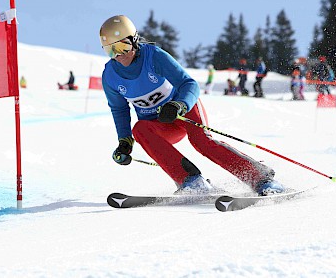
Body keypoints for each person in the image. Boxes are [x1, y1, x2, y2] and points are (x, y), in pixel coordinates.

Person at [99, 15, 284, 196]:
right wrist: (124, 141)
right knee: (139, 129)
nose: (119, 55)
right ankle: (192, 182)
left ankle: (262, 178)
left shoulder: (153, 57)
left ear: (135, 40)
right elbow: (119, 109)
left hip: (183, 111)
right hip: (161, 125)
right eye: (111, 50)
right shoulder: (110, 76)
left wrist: (179, 105)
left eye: (123, 46)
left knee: (202, 142)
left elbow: (189, 84)